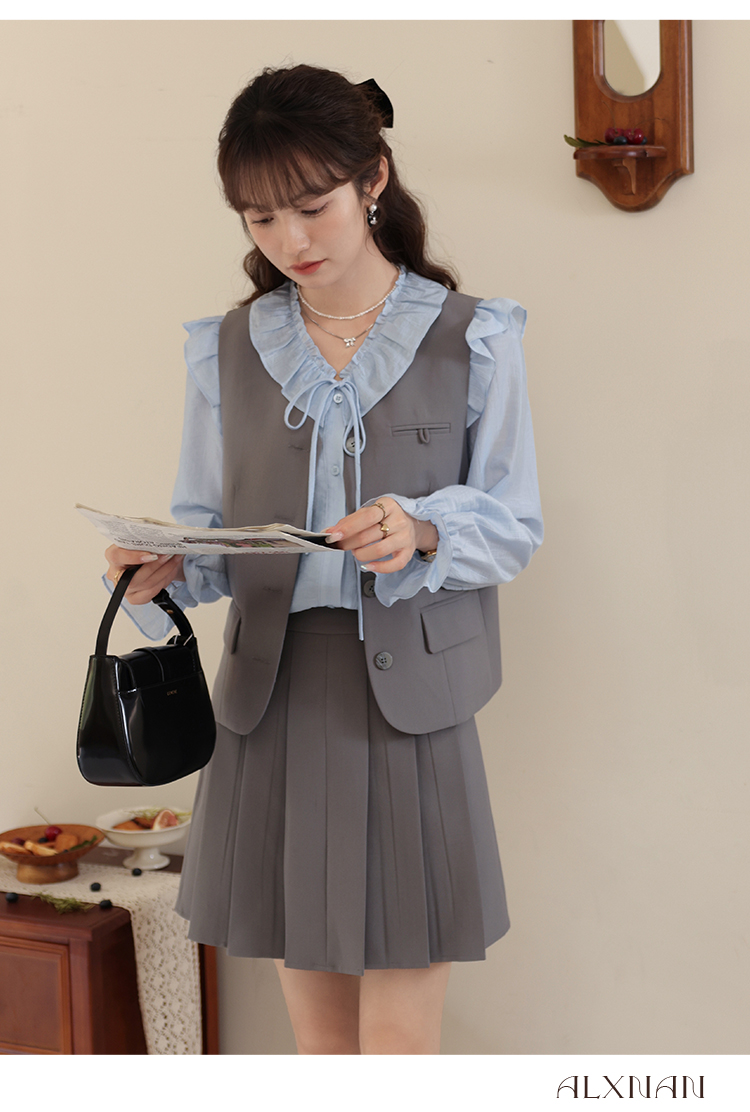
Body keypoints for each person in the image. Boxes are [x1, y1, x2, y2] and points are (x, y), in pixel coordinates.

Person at [104, 64, 543, 1055]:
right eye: (261, 218)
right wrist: (161, 569)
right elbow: (209, 535)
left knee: (397, 1045)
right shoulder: (226, 347)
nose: (290, 240)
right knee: (321, 1045)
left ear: (372, 179)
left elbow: (514, 524)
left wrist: (421, 528)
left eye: (312, 207)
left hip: (412, 702)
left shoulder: (472, 337)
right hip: (274, 698)